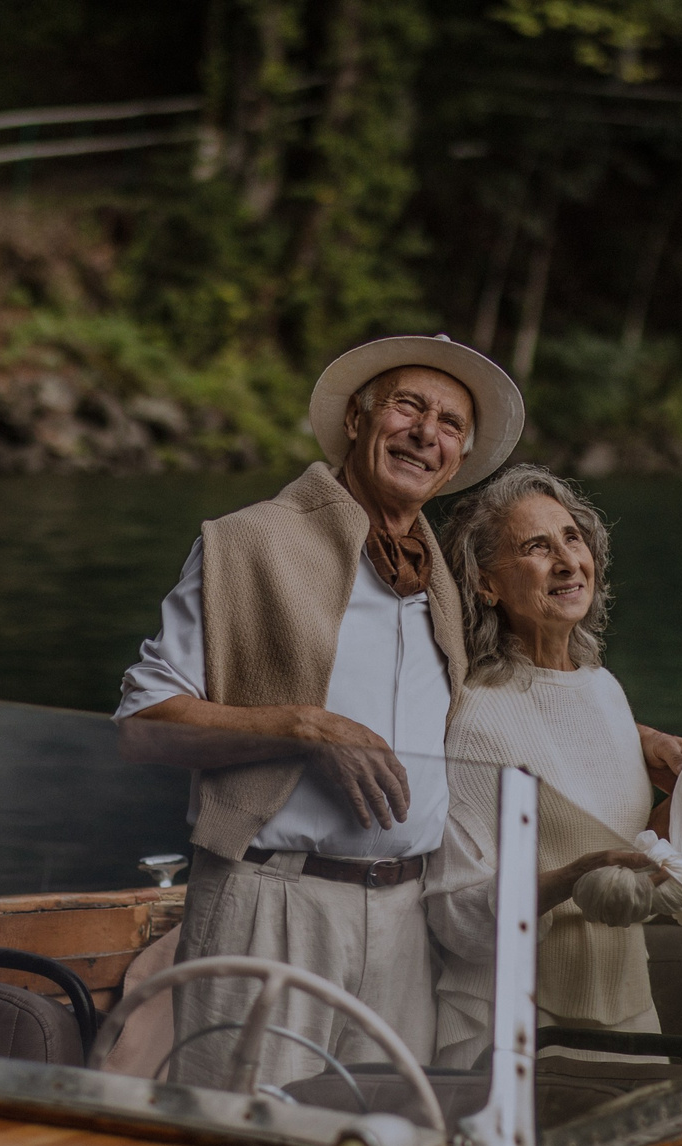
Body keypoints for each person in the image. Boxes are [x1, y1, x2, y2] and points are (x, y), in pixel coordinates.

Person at [113, 335, 524, 1090]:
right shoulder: (250, 542)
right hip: (273, 904)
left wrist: (648, 745)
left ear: (458, 458)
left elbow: (507, 708)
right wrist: (305, 728)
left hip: (410, 917)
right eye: (408, 405)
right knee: (239, 1141)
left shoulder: (446, 582)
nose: (426, 432)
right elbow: (143, 724)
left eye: (450, 423)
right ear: (358, 420)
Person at [426, 464, 682, 1063]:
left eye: (571, 538)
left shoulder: (603, 689)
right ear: (485, 584)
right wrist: (575, 875)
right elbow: (457, 919)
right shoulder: (475, 719)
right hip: (517, 1019)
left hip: (628, 1005)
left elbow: (636, 852)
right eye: (536, 548)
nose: (567, 561)